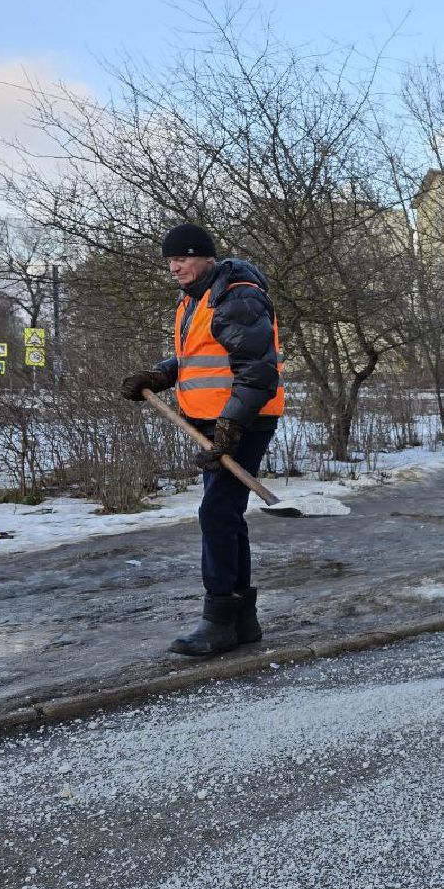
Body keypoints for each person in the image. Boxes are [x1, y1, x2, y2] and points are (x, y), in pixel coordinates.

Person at [120, 222, 284, 658]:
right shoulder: (200, 298)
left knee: (216, 514)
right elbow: (199, 355)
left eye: (183, 258)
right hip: (218, 419)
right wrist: (161, 373)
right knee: (226, 515)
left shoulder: (237, 295)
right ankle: (242, 621)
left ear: (206, 257)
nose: (175, 267)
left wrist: (231, 427)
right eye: (170, 261)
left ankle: (219, 621)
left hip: (243, 418)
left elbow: (257, 370)